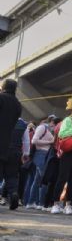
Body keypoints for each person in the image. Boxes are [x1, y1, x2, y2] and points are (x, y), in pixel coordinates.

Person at [0, 79, 22, 211]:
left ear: (3, 87)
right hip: (9, 143)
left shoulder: (1, 98)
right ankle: (13, 193)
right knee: (11, 174)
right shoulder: (18, 104)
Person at [25, 116, 54, 209]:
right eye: (54, 123)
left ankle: (31, 202)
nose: (55, 125)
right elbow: (34, 140)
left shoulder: (48, 129)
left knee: (37, 180)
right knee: (43, 179)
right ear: (50, 121)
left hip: (44, 154)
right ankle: (41, 204)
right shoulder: (43, 127)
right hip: (40, 153)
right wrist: (49, 142)